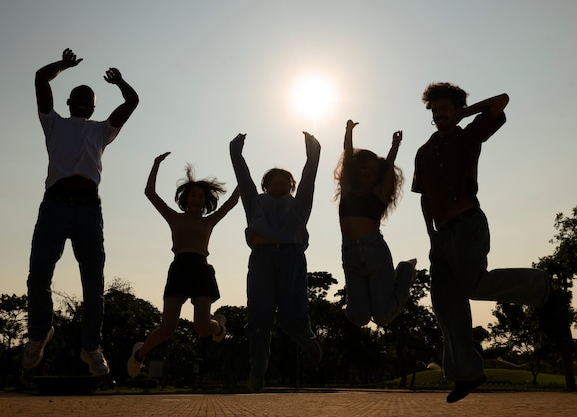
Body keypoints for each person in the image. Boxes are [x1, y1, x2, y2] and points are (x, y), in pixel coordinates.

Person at [411, 82, 549, 403]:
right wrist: (431, 234)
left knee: (472, 285)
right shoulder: (423, 152)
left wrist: (464, 114)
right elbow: (424, 197)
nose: (438, 115)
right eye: (435, 110)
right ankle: (468, 373)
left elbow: (502, 100)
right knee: (446, 305)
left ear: (456, 110)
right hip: (441, 235)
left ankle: (538, 284)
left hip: (468, 224)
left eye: (444, 109)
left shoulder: (468, 135)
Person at [22, 49, 139, 376]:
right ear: (71, 102)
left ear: (93, 107)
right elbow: (39, 78)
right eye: (79, 96)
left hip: (88, 207)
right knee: (39, 275)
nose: (84, 100)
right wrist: (64, 65)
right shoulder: (53, 123)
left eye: (90, 98)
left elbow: (132, 103)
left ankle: (90, 347)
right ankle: (39, 333)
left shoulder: (102, 130)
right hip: (55, 204)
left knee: (93, 280)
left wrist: (120, 82)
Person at [127, 153, 239, 378]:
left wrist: (241, 167)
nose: (196, 199)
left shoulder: (209, 220)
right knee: (167, 328)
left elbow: (233, 201)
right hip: (179, 268)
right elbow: (150, 193)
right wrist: (155, 164)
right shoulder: (174, 217)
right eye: (192, 196)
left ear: (205, 201)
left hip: (201, 269)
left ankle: (219, 326)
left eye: (200, 196)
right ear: (185, 199)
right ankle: (139, 355)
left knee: (202, 328)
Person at [230, 131, 322, 391]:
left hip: (292, 257)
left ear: (291, 186)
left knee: (293, 317)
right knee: (259, 320)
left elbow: (309, 179)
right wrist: (236, 153)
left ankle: (307, 338)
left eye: (284, 182)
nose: (279, 186)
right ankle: (257, 372)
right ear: (265, 186)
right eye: (273, 182)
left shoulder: (300, 204)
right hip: (263, 258)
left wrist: (313, 152)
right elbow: (244, 179)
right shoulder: (254, 202)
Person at [334, 120, 416, 328]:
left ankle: (406, 269)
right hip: (351, 255)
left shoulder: (378, 195)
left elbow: (388, 170)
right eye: (365, 168)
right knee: (360, 318)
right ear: (358, 170)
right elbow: (347, 158)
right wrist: (349, 132)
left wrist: (394, 146)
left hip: (375, 254)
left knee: (382, 317)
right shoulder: (348, 190)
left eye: (373, 170)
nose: (368, 172)